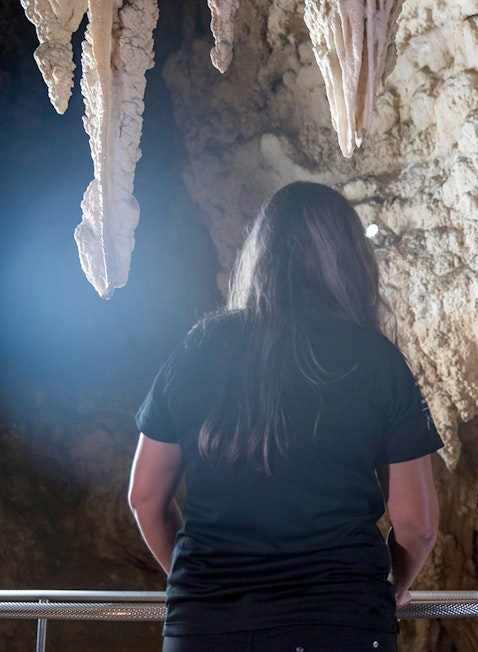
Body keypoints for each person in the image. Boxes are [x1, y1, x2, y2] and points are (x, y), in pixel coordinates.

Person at [127, 181, 442, 652]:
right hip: (341, 619)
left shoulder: (198, 349)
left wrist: (200, 585)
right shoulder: (376, 360)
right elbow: (417, 524)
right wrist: (393, 582)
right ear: (352, 261)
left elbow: (145, 497)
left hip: (207, 626)